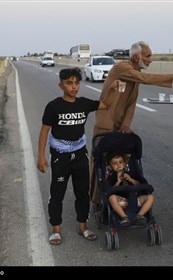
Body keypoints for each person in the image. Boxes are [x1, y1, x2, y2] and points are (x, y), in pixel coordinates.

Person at [90, 41, 173, 207]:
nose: (151, 59)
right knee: (100, 161)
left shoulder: (133, 75)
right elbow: (146, 78)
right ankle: (96, 199)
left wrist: (126, 124)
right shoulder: (123, 68)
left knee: (122, 160)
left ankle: (121, 195)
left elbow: (131, 105)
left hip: (120, 124)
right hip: (106, 123)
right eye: (148, 55)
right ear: (136, 56)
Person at [37, 67, 113, 245]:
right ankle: (56, 229)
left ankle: (83, 226)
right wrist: (41, 157)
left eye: (77, 83)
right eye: (69, 83)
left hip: (80, 155)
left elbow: (105, 104)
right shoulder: (53, 106)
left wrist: (112, 88)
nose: (74, 87)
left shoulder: (84, 104)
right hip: (59, 156)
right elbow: (44, 131)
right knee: (57, 193)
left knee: (82, 192)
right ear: (61, 85)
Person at [106, 153, 155, 227]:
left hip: (135, 198)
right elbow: (109, 190)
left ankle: (139, 216)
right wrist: (118, 181)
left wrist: (131, 179)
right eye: (115, 163)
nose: (119, 165)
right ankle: (124, 217)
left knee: (151, 197)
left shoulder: (130, 173)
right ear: (110, 167)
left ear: (125, 164)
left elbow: (139, 183)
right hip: (122, 201)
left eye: (120, 162)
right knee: (112, 198)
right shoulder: (111, 176)